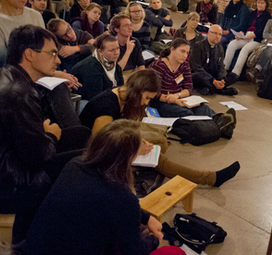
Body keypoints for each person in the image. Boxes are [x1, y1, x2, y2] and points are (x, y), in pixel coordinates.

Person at [15, 119, 188, 255]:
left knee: (108, 237)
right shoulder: (121, 195)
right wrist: (154, 239)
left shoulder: (75, 165)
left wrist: (146, 217)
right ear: (130, 156)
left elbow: (108, 205)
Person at [0, 25, 91, 243]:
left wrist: (45, 133)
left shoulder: (4, 75)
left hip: (6, 160)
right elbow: (38, 157)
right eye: (53, 53)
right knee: (85, 165)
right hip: (5, 184)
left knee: (81, 134)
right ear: (29, 54)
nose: (57, 61)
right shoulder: (17, 93)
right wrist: (51, 135)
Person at [79, 71, 240, 181]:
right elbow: (98, 146)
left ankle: (146, 167)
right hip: (95, 154)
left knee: (160, 142)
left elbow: (127, 129)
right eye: (147, 97)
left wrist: (139, 141)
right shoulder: (106, 107)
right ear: (138, 91)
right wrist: (134, 148)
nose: (147, 103)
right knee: (159, 158)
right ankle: (209, 178)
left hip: (114, 142)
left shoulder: (125, 97)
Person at [149, 38, 218, 117]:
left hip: (178, 98)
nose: (185, 55)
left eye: (187, 53)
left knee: (203, 108)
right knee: (186, 113)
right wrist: (172, 99)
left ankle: (219, 121)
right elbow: (152, 92)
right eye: (182, 51)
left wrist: (177, 95)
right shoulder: (159, 65)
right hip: (161, 101)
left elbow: (189, 89)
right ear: (172, 49)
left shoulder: (184, 65)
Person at [224, 0, 272, 80]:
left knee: (245, 49)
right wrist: (241, 33)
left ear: (266, 4)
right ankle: (224, 68)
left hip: (256, 40)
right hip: (246, 36)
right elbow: (245, 25)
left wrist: (246, 36)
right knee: (232, 44)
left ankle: (235, 73)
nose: (259, 5)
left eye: (262, 3)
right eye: (258, 2)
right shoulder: (252, 13)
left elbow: (260, 32)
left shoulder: (267, 16)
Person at [71, 33, 123, 102]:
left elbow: (121, 88)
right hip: (84, 102)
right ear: (100, 51)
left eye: (117, 48)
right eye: (111, 50)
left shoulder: (112, 62)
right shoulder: (91, 67)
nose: (116, 53)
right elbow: (96, 98)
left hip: (106, 100)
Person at [190, 25, 238, 96]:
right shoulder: (198, 46)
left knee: (234, 76)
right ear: (209, 33)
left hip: (214, 76)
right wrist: (213, 80)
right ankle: (220, 90)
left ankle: (211, 88)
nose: (217, 36)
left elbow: (221, 66)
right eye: (215, 33)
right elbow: (196, 67)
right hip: (202, 75)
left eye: (220, 34)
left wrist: (221, 79)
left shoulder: (220, 48)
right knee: (196, 77)